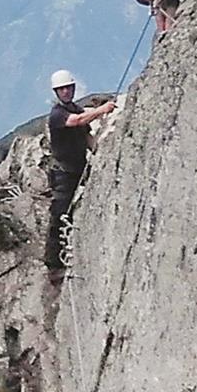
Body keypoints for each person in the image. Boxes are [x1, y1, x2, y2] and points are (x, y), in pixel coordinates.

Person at [45, 68, 116, 285]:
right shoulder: (58, 114)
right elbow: (77, 121)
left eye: (68, 87)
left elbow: (86, 135)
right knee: (60, 215)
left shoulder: (73, 109)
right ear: (56, 92)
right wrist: (102, 110)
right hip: (64, 174)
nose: (66, 91)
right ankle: (54, 266)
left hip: (77, 169)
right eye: (62, 89)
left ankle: (69, 252)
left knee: (72, 213)